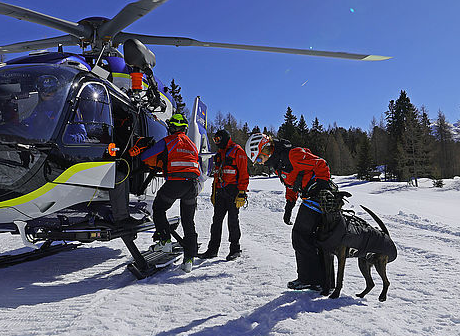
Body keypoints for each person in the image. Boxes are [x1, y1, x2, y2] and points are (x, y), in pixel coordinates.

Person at [245, 132, 334, 292]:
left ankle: (309, 279)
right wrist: (289, 204)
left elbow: (321, 164)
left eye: (259, 159)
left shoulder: (293, 155)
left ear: (265, 149)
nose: (260, 163)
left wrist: (322, 185)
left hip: (319, 196)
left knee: (300, 235)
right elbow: (292, 184)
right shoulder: (278, 164)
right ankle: (322, 281)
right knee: (312, 238)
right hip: (309, 197)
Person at [131, 112, 201, 272]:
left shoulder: (168, 141)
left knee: (159, 208)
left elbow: (145, 156)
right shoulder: (192, 144)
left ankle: (165, 241)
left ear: (171, 128)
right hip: (192, 185)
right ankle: (189, 259)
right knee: (188, 221)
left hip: (175, 183)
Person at [199, 129, 248, 261]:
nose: (216, 142)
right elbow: (216, 175)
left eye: (218, 140)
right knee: (216, 221)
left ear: (224, 138)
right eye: (214, 140)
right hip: (220, 192)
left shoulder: (238, 151)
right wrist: (214, 192)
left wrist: (242, 192)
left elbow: (244, 173)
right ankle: (212, 250)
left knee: (233, 221)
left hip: (233, 192)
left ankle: (235, 249)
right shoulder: (219, 154)